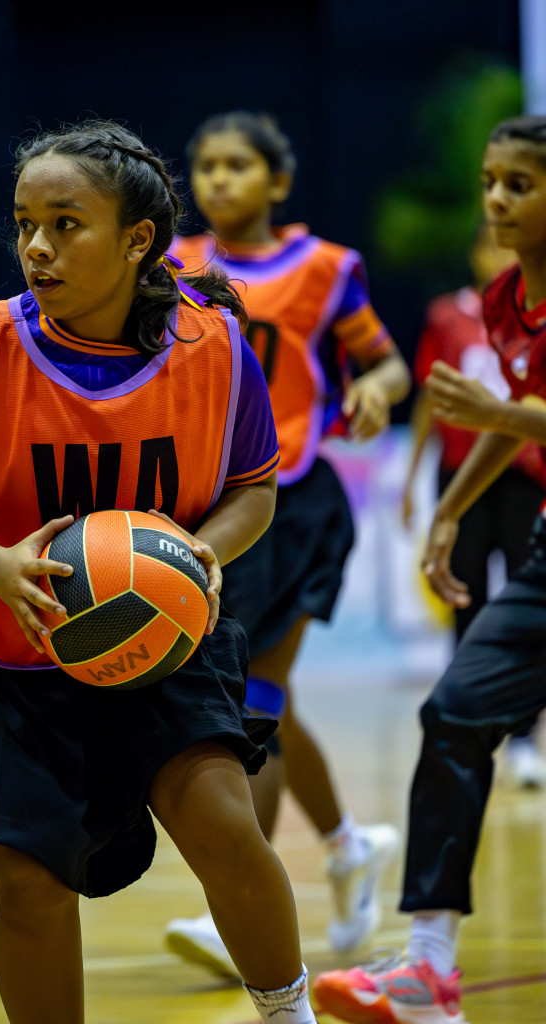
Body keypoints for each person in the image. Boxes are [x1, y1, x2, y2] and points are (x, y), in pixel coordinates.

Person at [0, 120, 321, 1024]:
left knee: (226, 823)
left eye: (66, 223)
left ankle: (287, 1011)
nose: (36, 245)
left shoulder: (216, 348)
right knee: (31, 886)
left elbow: (254, 491)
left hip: (157, 639)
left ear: (137, 238)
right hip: (7, 649)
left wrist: (203, 552)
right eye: (26, 222)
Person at [165, 111, 411, 977]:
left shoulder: (326, 269)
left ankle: (225, 909)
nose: (219, 181)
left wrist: (378, 391)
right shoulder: (169, 267)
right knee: (264, 694)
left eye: (238, 166)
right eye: (205, 166)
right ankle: (345, 847)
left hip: (298, 505)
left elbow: (384, 362)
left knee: (253, 702)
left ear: (278, 181)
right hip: (212, 504)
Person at [313, 113, 546, 1024]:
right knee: (453, 712)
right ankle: (427, 968)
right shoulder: (503, 301)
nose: (495, 198)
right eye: (491, 180)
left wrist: (505, 416)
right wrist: (448, 509)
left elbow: (515, 413)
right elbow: (518, 411)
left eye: (518, 184)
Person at [402, 224, 546, 789]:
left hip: (523, 476)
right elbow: (427, 398)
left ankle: (525, 738)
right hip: (462, 473)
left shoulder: (533, 313)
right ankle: (472, 722)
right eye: (491, 245)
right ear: (476, 251)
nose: (500, 255)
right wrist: (414, 478)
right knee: (466, 601)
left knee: (524, 599)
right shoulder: (450, 314)